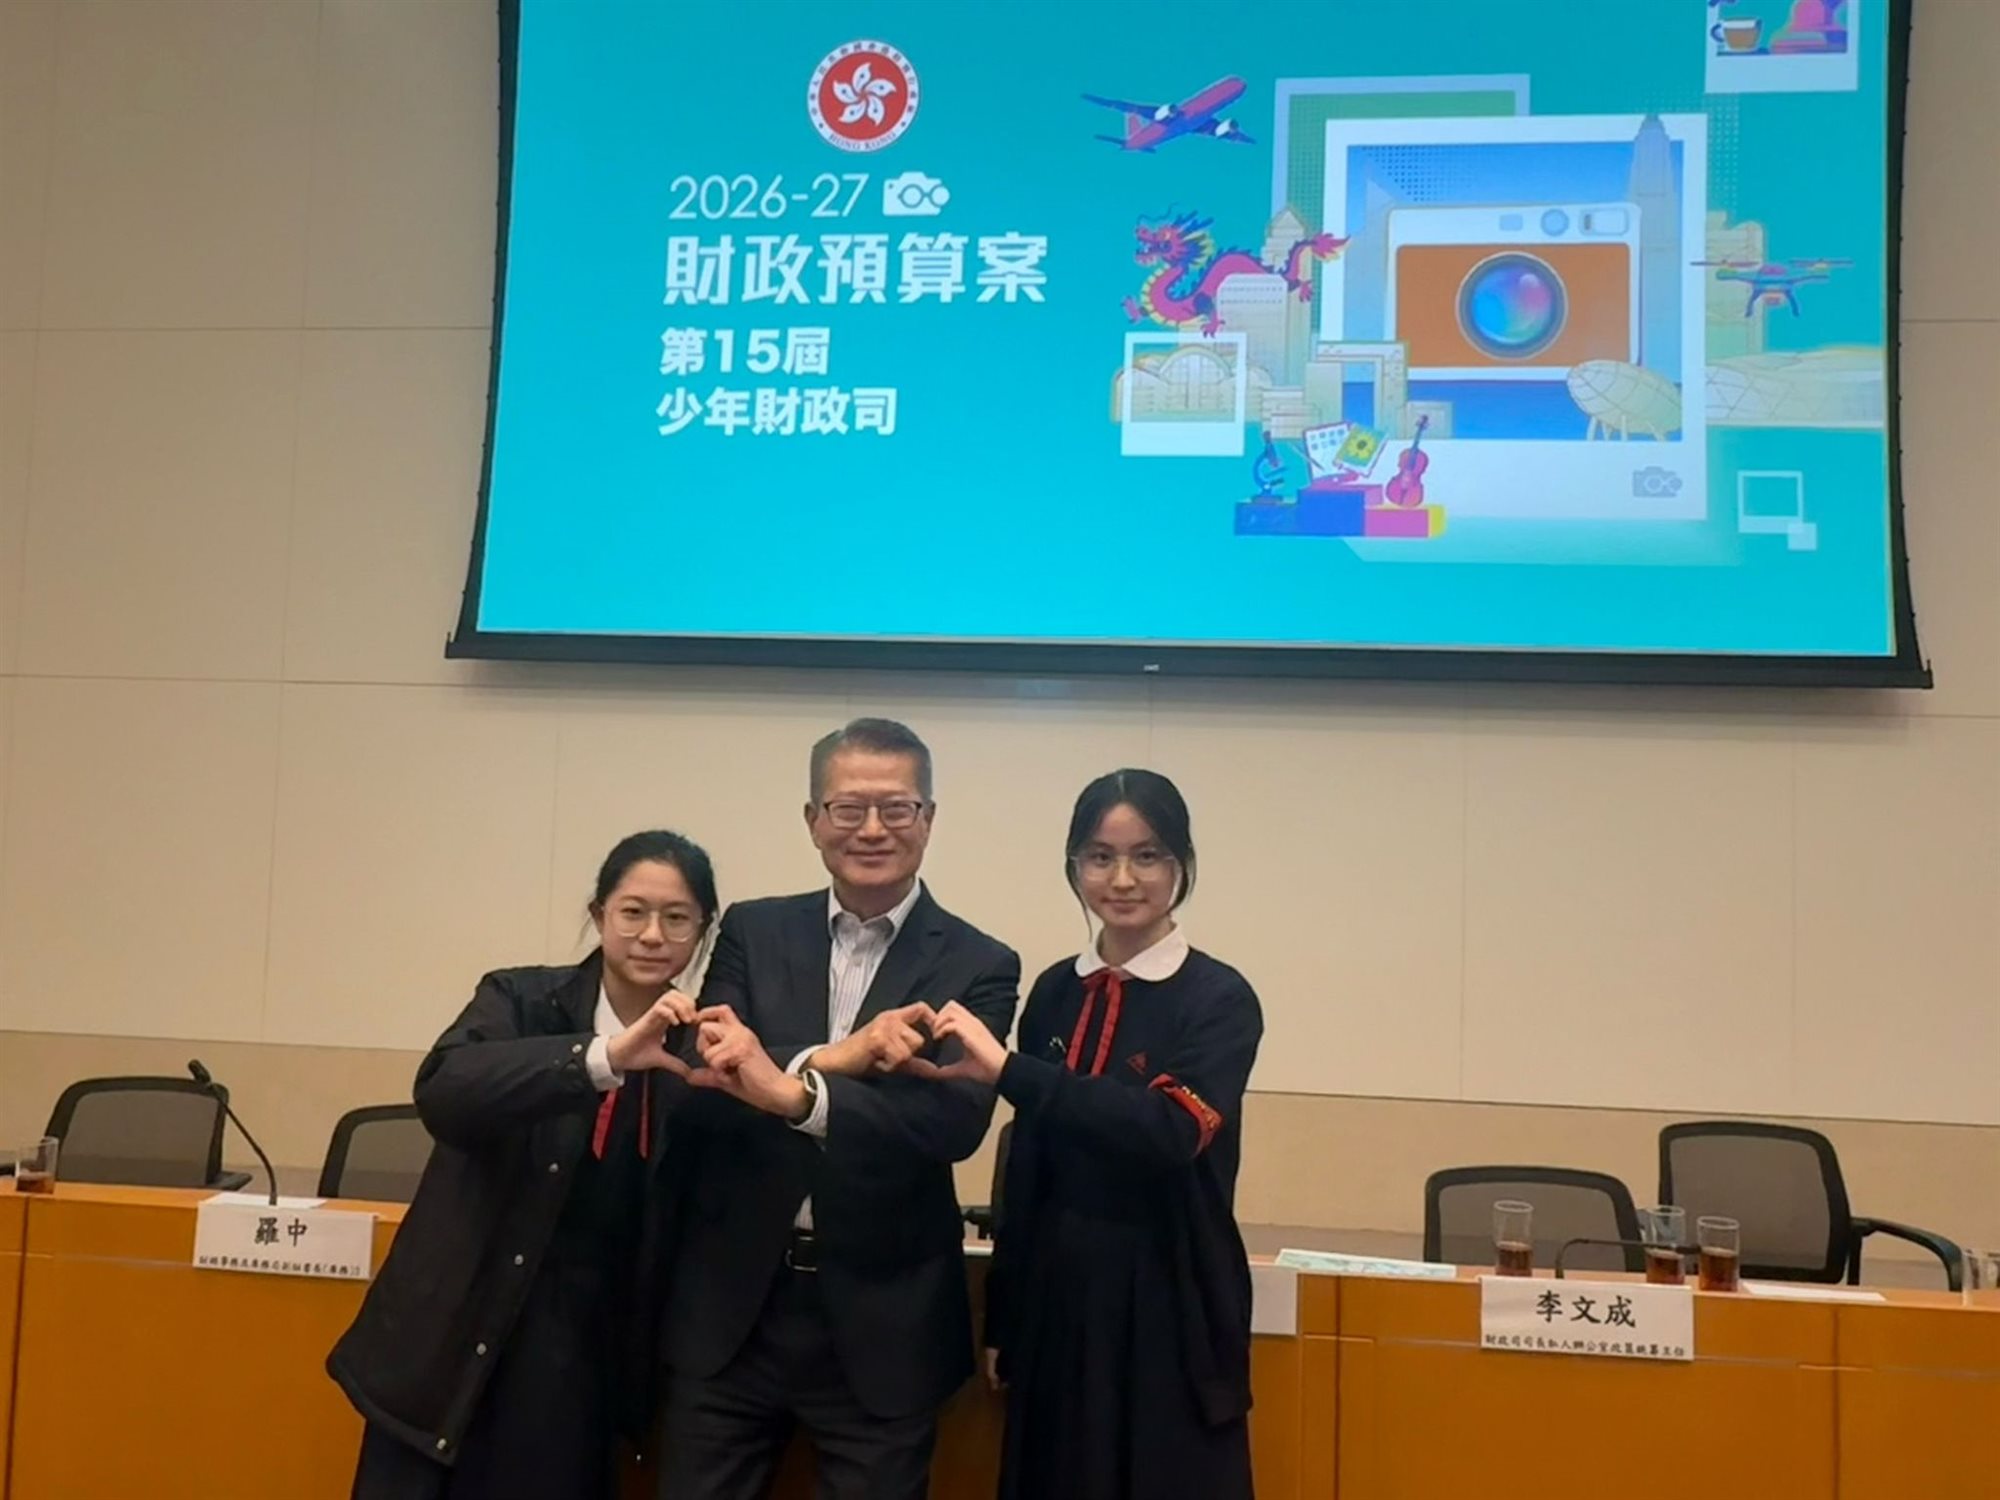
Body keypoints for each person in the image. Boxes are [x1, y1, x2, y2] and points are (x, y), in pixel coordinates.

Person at [656, 718, 1021, 1500]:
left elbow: (948, 1124)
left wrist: (793, 1092)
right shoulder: (753, 929)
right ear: (813, 820)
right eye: (848, 808)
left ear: (928, 818)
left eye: (897, 808)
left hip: (886, 1323)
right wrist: (840, 1061)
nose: (872, 829)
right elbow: (703, 1075)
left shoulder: (980, 962)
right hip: (733, 1313)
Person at [330, 830, 719, 1499]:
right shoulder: (520, 999)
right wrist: (603, 1058)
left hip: (578, 1359)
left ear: (703, 930)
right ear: (599, 914)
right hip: (453, 1326)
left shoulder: (700, 1048)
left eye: (677, 918)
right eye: (633, 912)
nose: (653, 935)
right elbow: (445, 1089)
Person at [914, 769, 1264, 1500]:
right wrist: (1005, 1317)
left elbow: (1168, 1132)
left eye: (1148, 855)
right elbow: (1030, 1161)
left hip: (1171, 1301)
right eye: (1100, 857)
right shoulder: (1053, 992)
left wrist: (1012, 1071)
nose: (1123, 879)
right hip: (1059, 1305)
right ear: (1074, 866)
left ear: (1183, 864)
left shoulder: (1219, 997)